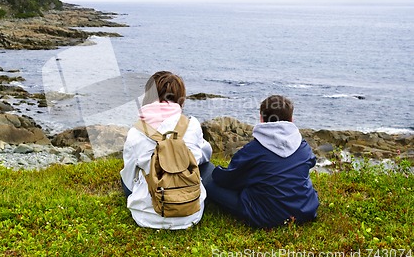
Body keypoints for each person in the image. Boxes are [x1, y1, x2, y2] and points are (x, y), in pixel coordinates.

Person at [204, 95, 319, 228]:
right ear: (291, 120)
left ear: (261, 118)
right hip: (305, 211)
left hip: (267, 217)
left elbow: (227, 180)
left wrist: (218, 172)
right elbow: (310, 162)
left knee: (211, 183)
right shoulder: (303, 147)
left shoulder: (253, 150)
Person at [120, 71, 213, 229]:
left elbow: (129, 179)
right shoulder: (192, 125)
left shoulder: (136, 132)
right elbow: (204, 155)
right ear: (180, 98)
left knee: (126, 175)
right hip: (191, 214)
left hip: (146, 216)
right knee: (204, 165)